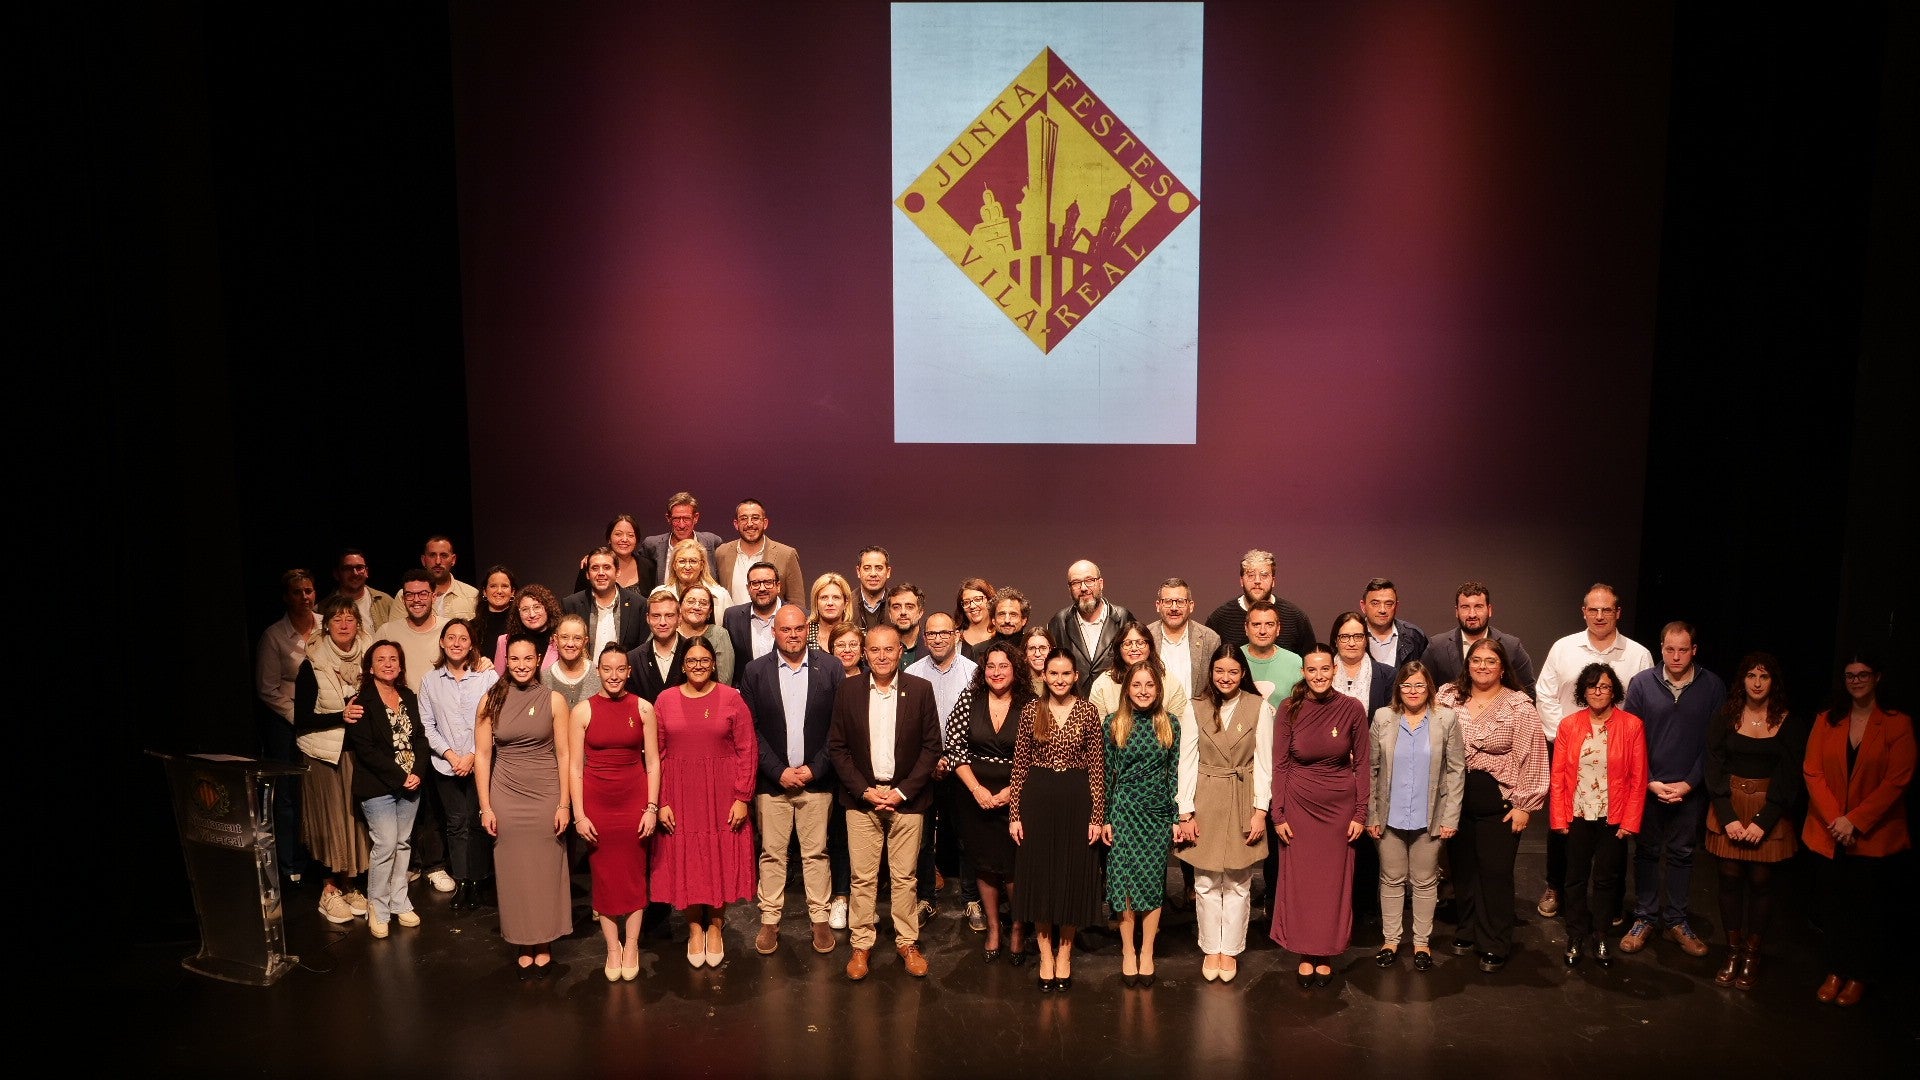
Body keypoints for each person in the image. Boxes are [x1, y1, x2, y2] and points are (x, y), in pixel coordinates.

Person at [827, 624, 942, 981]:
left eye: (888, 650)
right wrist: (864, 790)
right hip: (863, 800)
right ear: (865, 651)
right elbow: (838, 747)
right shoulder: (848, 691)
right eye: (874, 650)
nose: (881, 656)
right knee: (863, 878)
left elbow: (930, 747)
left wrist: (902, 791)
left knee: (905, 877)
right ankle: (861, 944)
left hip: (906, 800)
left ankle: (907, 942)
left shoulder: (920, 690)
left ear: (899, 653)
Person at [1532, 584, 1654, 919]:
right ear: (1583, 611)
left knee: (1613, 829)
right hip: (1571, 750)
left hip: (1616, 754)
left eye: (1606, 610)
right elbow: (1545, 694)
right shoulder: (1564, 648)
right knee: (1563, 824)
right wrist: (1566, 737)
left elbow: (1641, 707)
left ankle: (1609, 900)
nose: (1599, 616)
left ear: (1618, 612)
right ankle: (1556, 887)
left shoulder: (1638, 654)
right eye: (1593, 610)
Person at [1803, 652, 1912, 1008]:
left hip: (1873, 836)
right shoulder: (1827, 720)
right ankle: (1835, 970)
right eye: (1850, 675)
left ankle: (1859, 976)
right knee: (1833, 906)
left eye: (1863, 674)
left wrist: (1857, 821)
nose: (1856, 680)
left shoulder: (1897, 724)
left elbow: (1897, 780)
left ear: (1877, 677)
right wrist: (1838, 820)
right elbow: (1812, 771)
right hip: (1830, 831)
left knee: (1866, 910)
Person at [1435, 637, 1547, 973]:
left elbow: (1534, 756)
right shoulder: (1448, 697)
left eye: (1490, 661)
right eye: (1476, 660)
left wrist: (1526, 805)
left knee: (1495, 873)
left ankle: (1495, 941)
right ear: (1467, 664)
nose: (1482, 666)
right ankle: (1467, 931)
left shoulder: (1519, 706)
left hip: (1500, 805)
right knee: (1463, 872)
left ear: (1502, 667)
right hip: (1454, 804)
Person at [739, 605, 844, 957]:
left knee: (816, 854)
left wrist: (815, 768)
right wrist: (777, 771)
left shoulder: (830, 667)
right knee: (771, 854)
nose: (793, 634)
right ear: (774, 632)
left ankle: (819, 919)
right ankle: (770, 920)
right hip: (774, 783)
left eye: (800, 628)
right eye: (786, 629)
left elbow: (839, 728)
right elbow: (750, 729)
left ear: (807, 630)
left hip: (816, 780)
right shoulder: (755, 671)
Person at [650, 635, 757, 968]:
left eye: (704, 661)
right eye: (692, 661)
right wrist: (662, 800)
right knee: (687, 859)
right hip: (679, 795)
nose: (698, 666)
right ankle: (694, 928)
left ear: (714, 664)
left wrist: (742, 797)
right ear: (683, 665)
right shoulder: (664, 700)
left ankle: (715, 927)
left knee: (718, 858)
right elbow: (657, 753)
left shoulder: (731, 698)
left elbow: (747, 749)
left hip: (722, 793)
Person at [1619, 622, 1724, 959]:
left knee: (1682, 854)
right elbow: (1629, 737)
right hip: (1648, 787)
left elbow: (1714, 744)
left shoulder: (1711, 686)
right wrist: (1649, 780)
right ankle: (1645, 918)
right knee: (1647, 852)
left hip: (1688, 789)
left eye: (1683, 649)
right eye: (1669, 649)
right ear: (1661, 648)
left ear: (1695, 650)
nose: (1676, 656)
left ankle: (1677, 921)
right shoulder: (1642, 684)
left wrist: (1691, 783)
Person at [1704, 652, 1806, 990]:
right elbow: (1713, 764)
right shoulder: (1726, 716)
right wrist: (1728, 816)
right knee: (1729, 877)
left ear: (1773, 682)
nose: (1758, 683)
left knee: (1762, 880)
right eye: (1751, 676)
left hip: (1768, 809)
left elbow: (1790, 774)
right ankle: (1732, 951)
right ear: (1742, 681)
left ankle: (1752, 953)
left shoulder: (1787, 720)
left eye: (1764, 676)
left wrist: (1764, 820)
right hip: (1730, 805)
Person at [1270, 645, 1369, 988]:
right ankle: (1303, 951)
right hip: (1298, 807)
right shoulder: (1289, 709)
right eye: (1312, 670)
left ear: (1335, 669)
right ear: (1303, 673)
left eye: (1325, 669)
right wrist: (1277, 812)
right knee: (1301, 884)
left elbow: (1364, 764)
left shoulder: (1352, 708)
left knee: (1332, 885)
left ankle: (1325, 952)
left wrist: (1361, 811)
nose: (1319, 676)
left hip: (1340, 811)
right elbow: (1280, 763)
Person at [1009, 647, 1107, 992]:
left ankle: (1065, 952)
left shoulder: (1087, 711)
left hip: (1076, 800)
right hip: (1038, 799)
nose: (1060, 680)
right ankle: (1046, 954)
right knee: (1041, 878)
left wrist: (1097, 815)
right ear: (1044, 676)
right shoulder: (1030, 711)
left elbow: (1097, 767)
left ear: (1076, 676)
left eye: (1066, 674)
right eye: (1054, 674)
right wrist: (1014, 814)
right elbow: (1019, 765)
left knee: (1071, 876)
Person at [475, 634, 573, 977]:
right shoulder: (490, 701)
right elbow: (484, 755)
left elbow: (565, 754)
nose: (520, 665)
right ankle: (521, 938)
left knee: (546, 871)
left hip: (546, 794)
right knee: (514, 872)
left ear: (538, 661)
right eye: (514, 659)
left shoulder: (555, 700)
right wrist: (485, 807)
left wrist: (564, 804)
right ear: (506, 661)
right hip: (506, 795)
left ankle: (544, 940)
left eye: (527, 659)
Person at [569, 644, 662, 982]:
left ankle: (632, 945)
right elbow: (574, 767)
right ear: (598, 671)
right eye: (607, 668)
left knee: (635, 875)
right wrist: (579, 813)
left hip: (634, 801)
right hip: (597, 805)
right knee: (605, 877)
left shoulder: (643, 708)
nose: (613, 675)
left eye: (619, 668)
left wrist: (652, 807)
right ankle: (612, 948)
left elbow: (653, 761)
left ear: (629, 671)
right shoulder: (581, 711)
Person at [1366, 660, 1463, 971]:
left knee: (1424, 881)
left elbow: (1456, 770)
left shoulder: (1446, 719)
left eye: (1419, 685)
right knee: (1391, 879)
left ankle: (1421, 943)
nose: (1412, 691)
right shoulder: (1383, 717)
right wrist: (1371, 813)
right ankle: (1391, 941)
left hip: (1430, 815)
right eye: (1406, 685)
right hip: (1389, 816)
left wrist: (1451, 817)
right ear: (1398, 689)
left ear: (1429, 688)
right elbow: (1370, 769)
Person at [1548, 664, 1647, 968]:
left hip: (1613, 817)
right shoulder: (1569, 725)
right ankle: (1576, 934)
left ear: (1613, 690)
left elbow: (1638, 778)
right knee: (1574, 879)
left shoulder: (1631, 726)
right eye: (1592, 686)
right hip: (1577, 814)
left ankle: (1601, 934)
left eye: (1604, 686)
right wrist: (1559, 819)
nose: (1597, 692)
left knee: (1607, 880)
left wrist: (1630, 821)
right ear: (1583, 691)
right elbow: (1559, 776)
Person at [945, 640, 1032, 964]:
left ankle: (1019, 929)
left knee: (1013, 868)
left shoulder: (1031, 703)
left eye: (1004, 666)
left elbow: (1038, 755)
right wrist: (977, 789)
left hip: (1016, 797)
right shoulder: (971, 698)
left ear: (1015, 670)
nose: (996, 672)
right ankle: (995, 928)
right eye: (991, 666)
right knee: (984, 865)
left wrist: (1011, 792)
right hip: (974, 796)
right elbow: (954, 747)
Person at [344, 640, 433, 938]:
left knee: (404, 843)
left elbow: (420, 738)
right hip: (378, 786)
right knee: (385, 845)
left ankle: (399, 902)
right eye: (381, 659)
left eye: (393, 658)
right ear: (371, 667)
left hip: (411, 783)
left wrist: (417, 771)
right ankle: (378, 908)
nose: (388, 663)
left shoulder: (408, 696)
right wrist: (400, 776)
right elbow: (366, 751)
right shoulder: (361, 701)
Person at [293, 596, 372, 925]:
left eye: (349, 619)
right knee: (330, 823)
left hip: (356, 754)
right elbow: (302, 720)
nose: (343, 624)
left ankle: (351, 885)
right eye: (337, 619)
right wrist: (340, 715)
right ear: (326, 626)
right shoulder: (311, 664)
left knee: (354, 822)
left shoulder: (368, 660)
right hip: (323, 754)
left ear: (358, 624)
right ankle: (329, 890)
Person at [1103, 662, 1180, 988]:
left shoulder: (1169, 723)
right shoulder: (1114, 723)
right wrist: (1104, 817)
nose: (1144, 690)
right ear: (1127, 689)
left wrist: (1176, 817)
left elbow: (1174, 774)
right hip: (1124, 813)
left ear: (1158, 689)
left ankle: (1147, 950)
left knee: (1151, 884)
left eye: (1149, 685)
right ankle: (1128, 951)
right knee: (1124, 887)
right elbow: (1107, 776)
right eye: (1137, 685)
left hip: (1157, 816)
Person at [418, 617, 498, 914]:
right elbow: (427, 725)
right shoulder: (430, 680)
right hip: (445, 765)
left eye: (463, 638)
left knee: (478, 822)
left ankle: (478, 881)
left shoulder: (487, 678)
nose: (456, 643)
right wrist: (452, 756)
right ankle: (462, 881)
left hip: (481, 762)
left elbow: (496, 720)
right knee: (455, 823)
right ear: (442, 642)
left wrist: (474, 756)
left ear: (471, 644)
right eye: (450, 638)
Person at [906, 611, 980, 925]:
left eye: (944, 633)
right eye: (932, 634)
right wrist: (932, 759)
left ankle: (972, 899)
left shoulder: (974, 672)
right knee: (922, 838)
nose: (938, 638)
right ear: (925, 639)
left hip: (963, 766)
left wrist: (954, 757)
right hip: (924, 766)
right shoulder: (912, 672)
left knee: (967, 836)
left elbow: (978, 722)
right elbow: (908, 726)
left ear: (956, 635)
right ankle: (926, 899)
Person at [256, 568, 318, 886]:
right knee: (289, 795)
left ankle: (321, 855)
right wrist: (299, 717)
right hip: (287, 724)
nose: (304, 597)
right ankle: (292, 860)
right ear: (286, 597)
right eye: (297, 592)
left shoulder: (326, 626)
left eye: (308, 590)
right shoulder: (274, 636)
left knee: (319, 790)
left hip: (324, 720)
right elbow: (267, 689)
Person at [1419, 581, 1537, 695]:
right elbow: (1423, 690)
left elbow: (1528, 693)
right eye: (1465, 607)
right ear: (1457, 611)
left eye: (1478, 606)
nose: (1472, 614)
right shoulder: (1437, 647)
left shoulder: (1511, 647)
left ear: (1489, 610)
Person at [1046, 559, 1132, 697]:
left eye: (1089, 580)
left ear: (1101, 583)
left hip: (1115, 706)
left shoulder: (1123, 618)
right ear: (1069, 589)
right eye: (1076, 583)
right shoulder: (1058, 622)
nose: (1084, 587)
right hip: (1074, 709)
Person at [1205, 549, 1315, 657]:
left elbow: (1311, 665)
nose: (1257, 581)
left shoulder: (1295, 618)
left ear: (1273, 581)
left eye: (1264, 575)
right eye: (1251, 575)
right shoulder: (1219, 619)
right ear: (1241, 581)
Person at [1088, 619, 1191, 726]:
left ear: (1150, 647)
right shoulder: (1102, 684)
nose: (1134, 648)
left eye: (1140, 643)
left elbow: (1174, 727)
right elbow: (1098, 730)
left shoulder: (1170, 682)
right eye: (1127, 643)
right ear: (1119, 649)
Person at [714, 498, 807, 609]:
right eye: (743, 519)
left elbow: (797, 604)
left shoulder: (786, 554)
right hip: (732, 625)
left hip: (774, 625)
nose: (749, 524)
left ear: (765, 523)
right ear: (736, 524)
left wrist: (801, 625)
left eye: (755, 518)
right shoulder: (721, 553)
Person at [563, 546, 648, 657]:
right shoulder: (571, 605)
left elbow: (642, 650)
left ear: (617, 572)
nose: (601, 573)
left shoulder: (639, 605)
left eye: (607, 567)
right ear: (588, 574)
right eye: (595, 568)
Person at [1149, 576, 1220, 709]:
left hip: (1196, 720)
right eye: (1168, 602)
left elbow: (1215, 688)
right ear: (1158, 606)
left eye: (1180, 602)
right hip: (1155, 718)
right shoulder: (1146, 637)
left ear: (1191, 606)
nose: (1174, 608)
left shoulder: (1210, 639)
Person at [376, 570, 447, 693]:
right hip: (402, 707)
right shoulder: (387, 631)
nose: (416, 600)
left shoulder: (449, 629)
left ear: (434, 597)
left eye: (423, 594)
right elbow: (370, 673)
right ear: (403, 599)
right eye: (410, 595)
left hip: (441, 706)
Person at [641, 492, 724, 585]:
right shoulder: (652, 545)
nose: (681, 525)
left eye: (686, 519)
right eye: (676, 519)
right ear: (668, 518)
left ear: (695, 518)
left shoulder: (712, 542)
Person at [627, 586, 692, 704]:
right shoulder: (633, 659)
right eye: (656, 616)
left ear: (679, 618)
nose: (662, 622)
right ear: (647, 618)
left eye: (669, 615)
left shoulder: (694, 652)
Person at [722, 561, 787, 675]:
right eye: (755, 583)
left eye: (768, 582)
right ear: (748, 588)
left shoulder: (798, 616)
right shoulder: (732, 617)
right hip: (745, 690)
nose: (762, 588)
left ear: (778, 586)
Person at [571, 513, 658, 596]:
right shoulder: (591, 565)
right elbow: (578, 604)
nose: (624, 539)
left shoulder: (648, 567)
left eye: (630, 535)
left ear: (636, 540)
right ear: (609, 538)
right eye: (618, 534)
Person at [1241, 601, 1304, 710]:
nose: (1262, 631)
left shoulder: (1295, 662)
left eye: (1269, 624)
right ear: (1246, 628)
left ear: (1278, 628)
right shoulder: (1233, 659)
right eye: (1256, 624)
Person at [492, 583, 562, 674]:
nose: (532, 614)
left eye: (537, 607)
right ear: (518, 614)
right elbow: (498, 681)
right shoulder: (504, 642)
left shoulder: (560, 641)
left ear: (548, 609)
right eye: (525, 609)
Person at [1360, 577, 1427, 671]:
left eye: (1389, 604)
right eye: (1375, 603)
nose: (1382, 610)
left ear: (1396, 606)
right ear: (1363, 606)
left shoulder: (1414, 636)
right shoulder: (1351, 636)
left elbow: (1425, 677)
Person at [677, 583, 736, 686]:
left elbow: (724, 680)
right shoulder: (668, 632)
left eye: (703, 603)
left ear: (710, 611)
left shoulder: (719, 635)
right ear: (680, 607)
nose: (696, 607)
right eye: (691, 601)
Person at [541, 612, 602, 711]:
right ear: (556, 639)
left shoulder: (598, 675)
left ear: (585, 641)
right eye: (565, 637)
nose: (570, 644)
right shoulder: (544, 678)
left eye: (577, 638)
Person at [328, 548, 394, 637]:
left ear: (366, 572)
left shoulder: (385, 602)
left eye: (359, 567)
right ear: (336, 574)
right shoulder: (324, 607)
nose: (355, 573)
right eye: (348, 568)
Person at [668, 538, 733, 616]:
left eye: (693, 561)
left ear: (702, 565)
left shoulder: (721, 595)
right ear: (674, 565)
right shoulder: (660, 593)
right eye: (682, 561)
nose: (687, 567)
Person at [420, 535, 479, 620]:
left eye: (443, 555)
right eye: (432, 555)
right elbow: (397, 630)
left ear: (453, 559)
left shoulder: (472, 595)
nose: (438, 561)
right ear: (423, 560)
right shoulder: (407, 596)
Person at [472, 565, 518, 663]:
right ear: (484, 591)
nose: (499, 591)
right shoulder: (471, 627)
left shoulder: (521, 625)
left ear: (512, 592)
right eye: (493, 586)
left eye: (504, 586)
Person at [805, 571, 855, 652]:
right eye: (824, 597)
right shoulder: (805, 634)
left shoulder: (858, 637)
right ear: (816, 602)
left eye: (836, 597)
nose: (830, 603)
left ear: (846, 602)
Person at [885, 582, 929, 668]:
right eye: (896, 607)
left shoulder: (932, 645)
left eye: (910, 607)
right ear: (890, 614)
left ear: (920, 613)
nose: (903, 612)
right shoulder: (880, 647)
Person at [955, 578, 998, 660]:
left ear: (990, 600)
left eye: (978, 599)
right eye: (966, 602)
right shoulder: (955, 638)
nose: (972, 606)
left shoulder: (1002, 636)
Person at [851, 546, 892, 631]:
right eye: (867, 568)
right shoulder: (846, 604)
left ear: (888, 572)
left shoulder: (897, 604)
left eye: (879, 568)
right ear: (858, 571)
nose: (873, 574)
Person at [989, 587, 1032, 652]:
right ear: (993, 620)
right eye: (1002, 614)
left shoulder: (1031, 650)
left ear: (1024, 620)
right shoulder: (979, 650)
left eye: (1013, 614)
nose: (1007, 620)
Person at [1021, 625, 1057, 698]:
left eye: (1043, 648)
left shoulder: (1061, 683)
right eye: (1031, 648)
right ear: (1025, 654)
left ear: (1051, 651)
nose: (1037, 654)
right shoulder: (1018, 685)